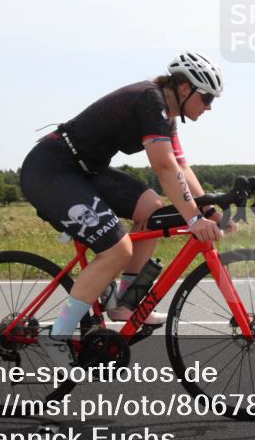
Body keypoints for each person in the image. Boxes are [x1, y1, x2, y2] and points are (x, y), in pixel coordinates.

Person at [19, 51, 234, 367]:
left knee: (152, 210)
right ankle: (58, 334)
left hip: (85, 169)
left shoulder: (167, 116)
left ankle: (125, 303)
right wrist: (194, 218)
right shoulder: (150, 100)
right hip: (52, 169)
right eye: (206, 97)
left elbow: (180, 167)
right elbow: (162, 166)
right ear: (185, 88)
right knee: (117, 251)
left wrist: (210, 211)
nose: (209, 106)